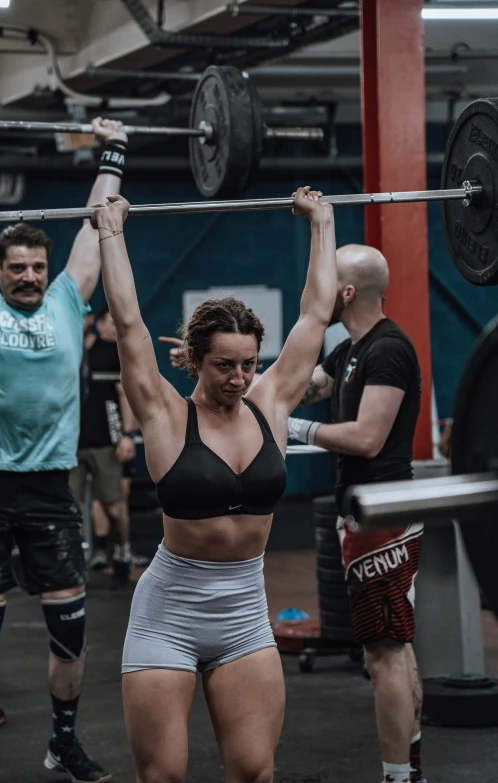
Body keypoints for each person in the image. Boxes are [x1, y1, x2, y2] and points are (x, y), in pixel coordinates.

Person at [89, 186, 337, 783]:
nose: (239, 376)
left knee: (254, 771)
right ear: (195, 357)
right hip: (168, 612)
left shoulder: (271, 402)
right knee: (164, 776)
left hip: (244, 613)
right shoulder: (165, 415)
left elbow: (316, 312)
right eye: (224, 364)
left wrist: (322, 222)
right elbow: (128, 322)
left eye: (249, 362)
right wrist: (109, 231)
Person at [0, 117, 129, 783]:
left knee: (70, 630)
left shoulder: (69, 298)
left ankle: (63, 742)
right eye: (19, 268)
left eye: (38, 266)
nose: (31, 276)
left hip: (51, 487)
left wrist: (113, 152)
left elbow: (97, 224)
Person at [287, 244, 425, 783]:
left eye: (324, 279)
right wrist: (220, 370)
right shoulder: (347, 352)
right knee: (395, 648)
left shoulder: (388, 349)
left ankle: (397, 777)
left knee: (383, 656)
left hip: (382, 512)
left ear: (346, 292)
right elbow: (300, 389)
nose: (316, 286)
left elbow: (367, 438)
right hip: (365, 514)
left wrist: (296, 430)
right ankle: (409, 770)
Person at [71, 307, 139, 586]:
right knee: (69, 509)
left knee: (113, 506)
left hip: (106, 443)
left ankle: (122, 550)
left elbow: (126, 394)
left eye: (82, 316)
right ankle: (73, 564)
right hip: (68, 445)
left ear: (90, 321)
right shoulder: (63, 353)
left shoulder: (110, 351)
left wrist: (127, 435)